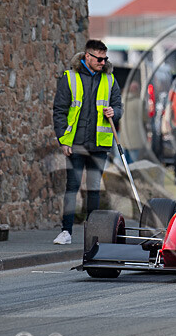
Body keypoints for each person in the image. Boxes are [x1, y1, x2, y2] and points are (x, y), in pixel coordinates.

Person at [52, 39, 123, 245]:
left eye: (105, 58)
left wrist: (114, 112)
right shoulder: (70, 78)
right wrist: (63, 140)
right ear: (87, 57)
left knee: (93, 188)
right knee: (72, 186)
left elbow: (118, 105)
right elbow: (60, 111)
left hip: (99, 143)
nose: (102, 62)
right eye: (99, 59)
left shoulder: (109, 80)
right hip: (75, 143)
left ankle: (92, 233)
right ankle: (66, 231)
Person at [118, 81, 145, 163]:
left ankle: (122, 175)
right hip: (135, 135)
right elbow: (145, 118)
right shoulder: (139, 102)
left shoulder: (121, 100)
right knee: (133, 161)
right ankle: (130, 175)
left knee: (122, 159)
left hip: (123, 134)